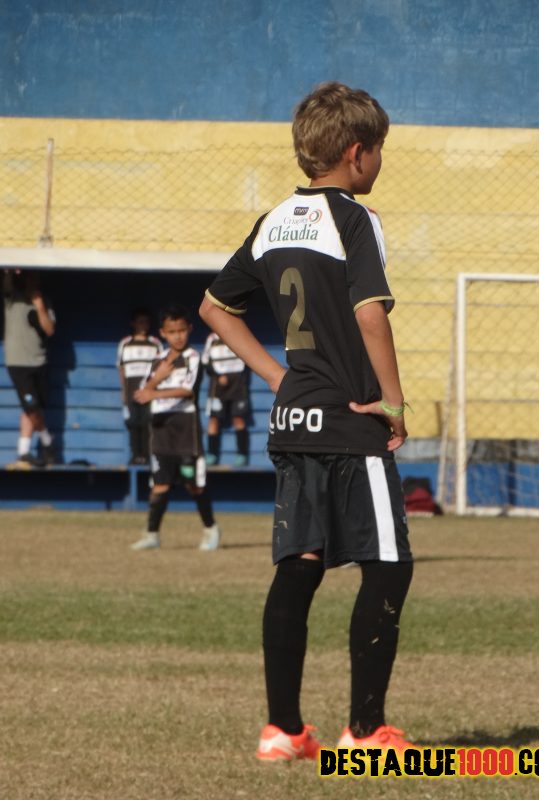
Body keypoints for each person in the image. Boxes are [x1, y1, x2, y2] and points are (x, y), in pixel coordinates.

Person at [199, 82, 413, 761]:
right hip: (351, 419)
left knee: (300, 565)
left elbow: (213, 308)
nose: (380, 161)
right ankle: (367, 732)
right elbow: (370, 314)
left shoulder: (272, 222)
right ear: (356, 152)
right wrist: (393, 402)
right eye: (379, 149)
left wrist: (275, 377)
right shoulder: (355, 219)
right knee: (389, 567)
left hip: (293, 421)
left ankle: (283, 731)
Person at [130, 304, 221, 552]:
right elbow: (142, 393)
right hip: (160, 428)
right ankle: (152, 534)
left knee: (194, 483)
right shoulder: (157, 361)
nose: (178, 336)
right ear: (162, 333)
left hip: (185, 427)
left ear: (189, 329)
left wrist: (154, 392)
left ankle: (211, 529)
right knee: (160, 484)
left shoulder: (193, 357)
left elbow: (187, 390)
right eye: (172, 332)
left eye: (181, 330)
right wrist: (157, 379)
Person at [2, 268, 56, 467]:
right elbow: (6, 282)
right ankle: (47, 440)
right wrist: (10, 272)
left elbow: (49, 330)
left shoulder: (44, 301)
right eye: (28, 277)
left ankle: (23, 451)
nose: (32, 281)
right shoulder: (12, 299)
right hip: (18, 362)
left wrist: (40, 306)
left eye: (35, 278)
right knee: (31, 406)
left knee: (32, 408)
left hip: (39, 361)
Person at [116, 308, 162, 464]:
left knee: (148, 422)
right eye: (140, 322)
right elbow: (121, 369)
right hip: (131, 390)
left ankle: (148, 455)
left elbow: (160, 368)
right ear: (133, 323)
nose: (143, 325)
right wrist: (123, 391)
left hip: (150, 391)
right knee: (134, 423)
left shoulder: (155, 343)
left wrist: (155, 389)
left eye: (146, 322)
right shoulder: (125, 343)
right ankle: (136, 455)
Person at [201, 330, 250, 467]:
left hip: (238, 383)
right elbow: (205, 361)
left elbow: (249, 356)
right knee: (214, 419)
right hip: (217, 384)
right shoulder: (212, 338)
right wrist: (218, 375)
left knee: (238, 418)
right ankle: (211, 454)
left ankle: (242, 454)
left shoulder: (239, 332)